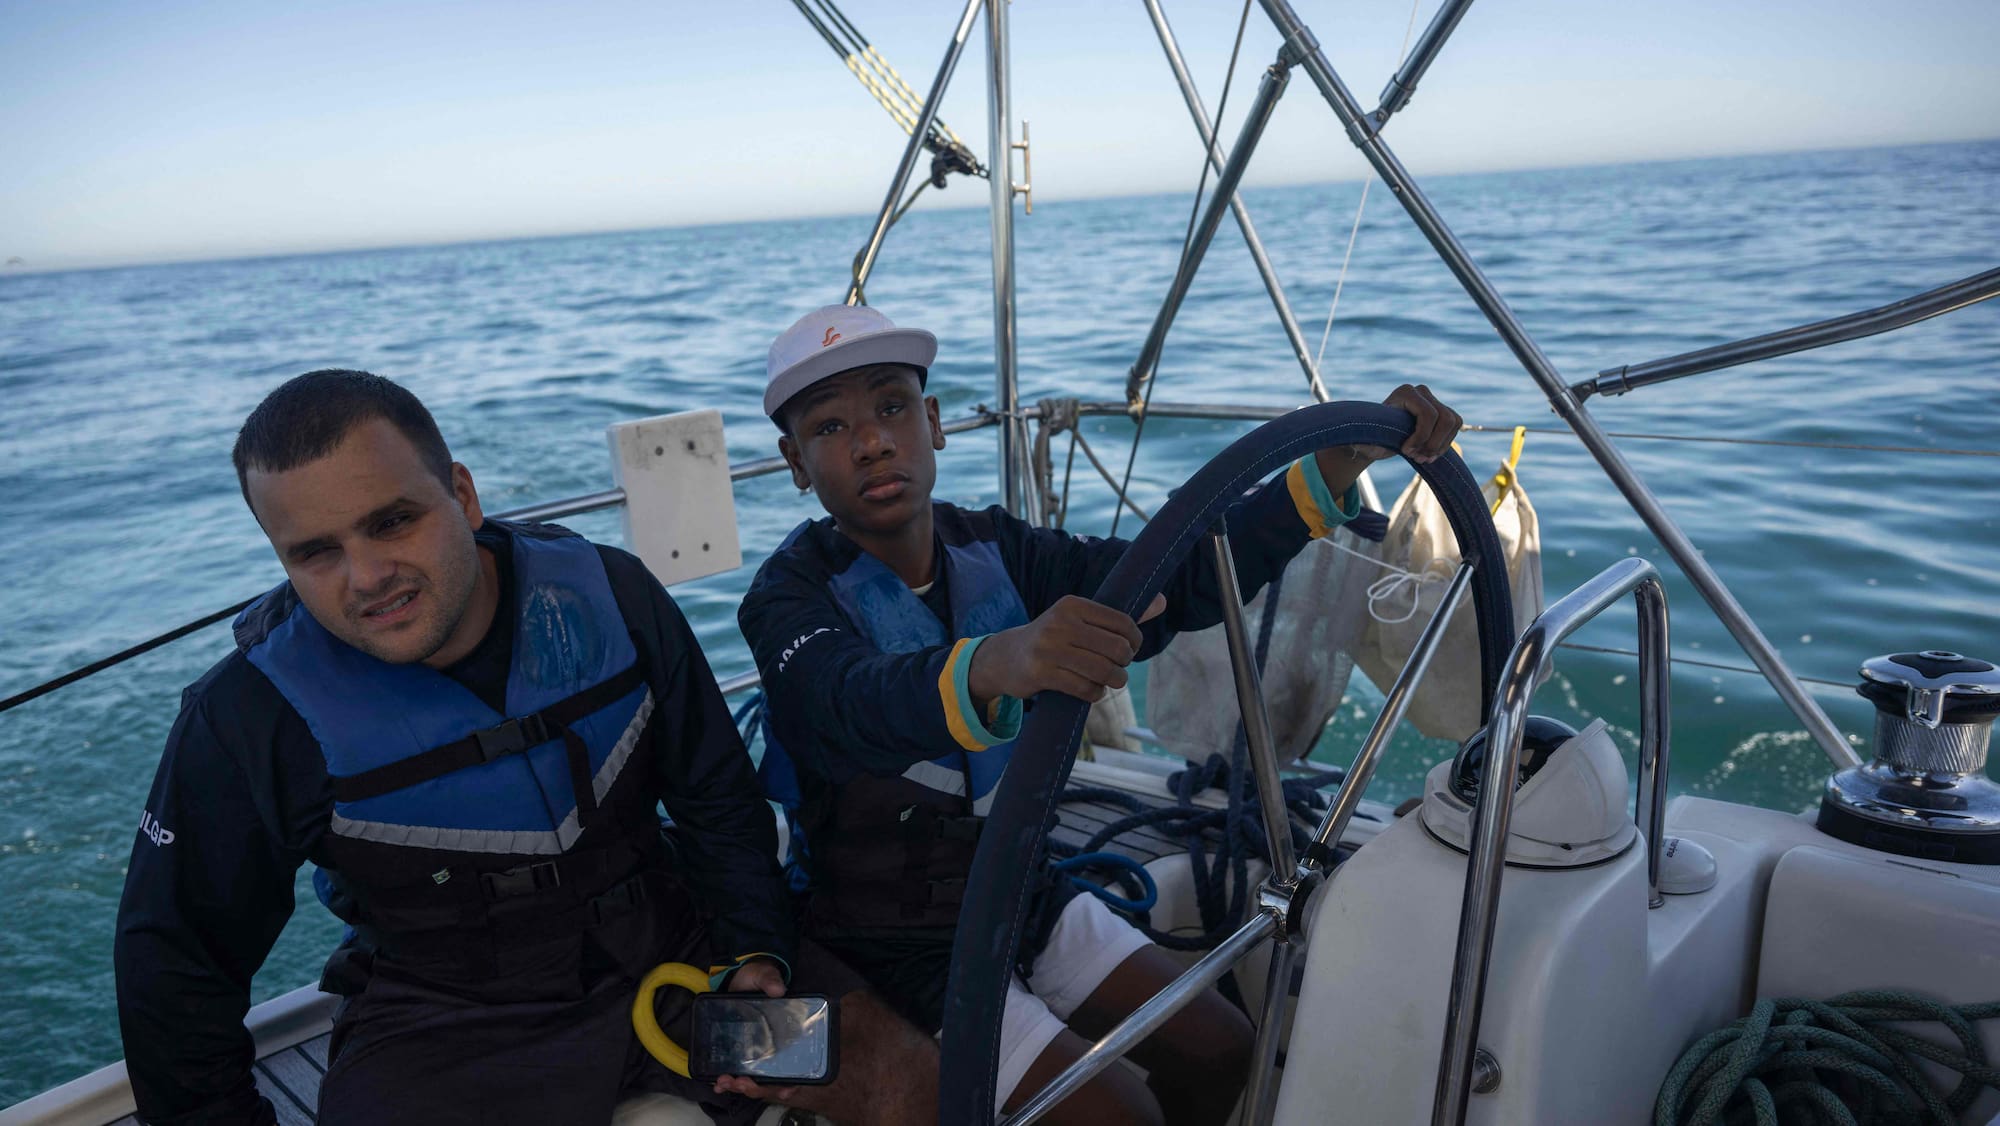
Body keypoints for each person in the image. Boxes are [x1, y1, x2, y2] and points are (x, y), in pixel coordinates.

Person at [113, 370, 936, 1126]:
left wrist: (754, 949)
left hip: (680, 954)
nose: (365, 576)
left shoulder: (612, 595)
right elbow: (176, 967)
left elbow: (717, 798)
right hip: (448, 1020)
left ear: (463, 495)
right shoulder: (250, 716)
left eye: (392, 521)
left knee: (908, 1084)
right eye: (315, 552)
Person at [737, 305, 1463, 1125]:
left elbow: (1172, 581)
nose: (872, 440)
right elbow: (844, 697)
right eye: (830, 427)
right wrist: (999, 661)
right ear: (795, 463)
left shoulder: (1001, 550)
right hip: (886, 942)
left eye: (892, 406)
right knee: (1123, 1116)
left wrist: (1329, 467)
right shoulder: (785, 599)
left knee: (1223, 1048)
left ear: (933, 422)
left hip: (1023, 892)